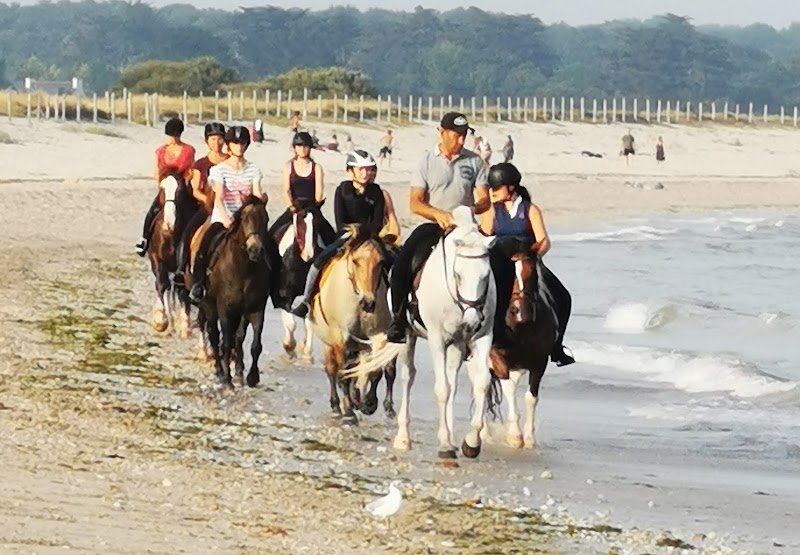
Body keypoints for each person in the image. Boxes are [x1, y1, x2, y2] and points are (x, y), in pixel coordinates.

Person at [385, 112, 490, 343]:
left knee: (492, 263)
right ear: (442, 132)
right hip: (433, 226)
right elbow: (415, 203)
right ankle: (399, 319)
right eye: (456, 135)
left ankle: (494, 322)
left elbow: (484, 200)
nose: (461, 140)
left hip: (465, 227)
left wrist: (470, 210)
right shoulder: (426, 161)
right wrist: (438, 214)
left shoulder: (474, 162)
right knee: (402, 265)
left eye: (464, 135)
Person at [478, 162, 574, 365]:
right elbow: (484, 237)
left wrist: (534, 256)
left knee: (563, 296)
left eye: (496, 188)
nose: (492, 192)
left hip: (527, 262)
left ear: (510, 188)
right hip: (501, 263)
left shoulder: (530, 210)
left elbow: (544, 240)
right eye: (491, 188)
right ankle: (481, 337)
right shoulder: (492, 211)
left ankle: (557, 347)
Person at [289, 149, 401, 318]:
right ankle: (306, 300)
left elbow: (377, 222)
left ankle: (399, 308)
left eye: (369, 169)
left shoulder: (376, 192)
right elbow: (340, 221)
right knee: (319, 262)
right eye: (361, 169)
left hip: (371, 237)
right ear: (350, 171)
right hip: (347, 236)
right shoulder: (342, 190)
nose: (366, 173)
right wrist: (354, 232)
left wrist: (368, 233)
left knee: (395, 262)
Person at [188, 126, 267, 303]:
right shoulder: (219, 170)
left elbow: (255, 194)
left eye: (242, 143)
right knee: (204, 244)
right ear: (229, 145)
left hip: (246, 219)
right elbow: (219, 197)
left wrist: (260, 199)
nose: (239, 147)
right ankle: (198, 285)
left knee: (268, 246)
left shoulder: (254, 170)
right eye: (235, 143)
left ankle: (272, 286)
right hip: (223, 215)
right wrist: (225, 218)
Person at [172, 122, 228, 290]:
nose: (216, 142)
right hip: (207, 207)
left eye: (219, 139)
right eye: (212, 139)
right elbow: (195, 189)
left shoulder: (229, 161)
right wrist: (207, 199)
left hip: (228, 206)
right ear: (206, 141)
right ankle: (181, 270)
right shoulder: (200, 164)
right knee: (187, 233)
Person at [135, 117, 196, 256]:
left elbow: (191, 170)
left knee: (192, 211)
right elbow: (156, 171)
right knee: (152, 211)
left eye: (176, 136)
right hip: (166, 187)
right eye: (171, 135)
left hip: (181, 187)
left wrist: (183, 184)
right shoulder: (161, 151)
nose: (173, 139)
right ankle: (144, 239)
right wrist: (163, 185)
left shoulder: (188, 150)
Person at [270, 131, 336, 245]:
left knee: (331, 237)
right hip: (294, 207)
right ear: (294, 148)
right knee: (272, 234)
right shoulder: (288, 167)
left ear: (310, 148)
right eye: (299, 146)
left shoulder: (317, 168)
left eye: (305, 146)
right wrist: (291, 207)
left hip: (312, 207)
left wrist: (313, 207)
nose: (302, 149)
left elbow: (319, 192)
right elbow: (286, 190)